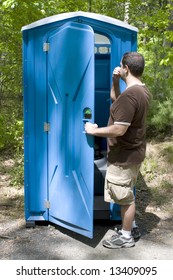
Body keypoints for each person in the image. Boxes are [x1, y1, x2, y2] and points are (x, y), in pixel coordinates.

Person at [85, 52, 151, 249]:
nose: (120, 68)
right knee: (125, 192)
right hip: (134, 152)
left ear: (126, 69)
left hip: (124, 155)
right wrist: (115, 81)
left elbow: (119, 129)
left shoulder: (131, 95)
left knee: (125, 198)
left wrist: (94, 131)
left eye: (121, 66)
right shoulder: (141, 90)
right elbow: (117, 101)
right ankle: (130, 225)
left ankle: (126, 236)